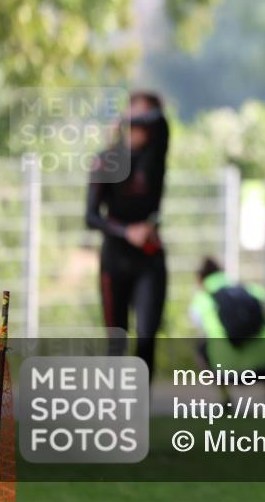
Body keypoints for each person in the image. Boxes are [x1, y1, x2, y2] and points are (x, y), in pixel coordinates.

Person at [86, 91, 170, 380]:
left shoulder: (155, 156)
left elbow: (160, 121)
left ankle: (139, 410)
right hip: (114, 260)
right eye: (134, 118)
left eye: (144, 120)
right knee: (116, 343)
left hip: (149, 259)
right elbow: (91, 217)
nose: (140, 127)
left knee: (146, 339)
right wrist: (126, 231)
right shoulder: (106, 160)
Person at [189, 257, 265, 401]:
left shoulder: (202, 298)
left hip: (226, 368)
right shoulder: (250, 290)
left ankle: (224, 395)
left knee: (201, 348)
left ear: (200, 279)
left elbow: (197, 323)